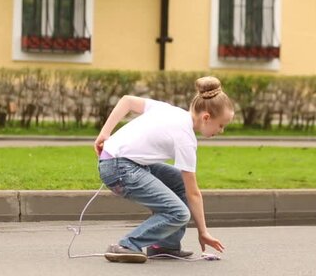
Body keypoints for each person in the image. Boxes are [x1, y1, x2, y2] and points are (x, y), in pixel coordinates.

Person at [94, 76, 234, 263]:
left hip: (123, 163)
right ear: (206, 117)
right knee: (179, 213)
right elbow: (194, 194)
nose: (221, 131)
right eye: (221, 125)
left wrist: (105, 133)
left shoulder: (171, 111)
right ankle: (127, 245)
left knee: (178, 181)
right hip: (120, 169)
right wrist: (203, 232)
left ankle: (164, 245)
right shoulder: (186, 139)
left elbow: (127, 101)